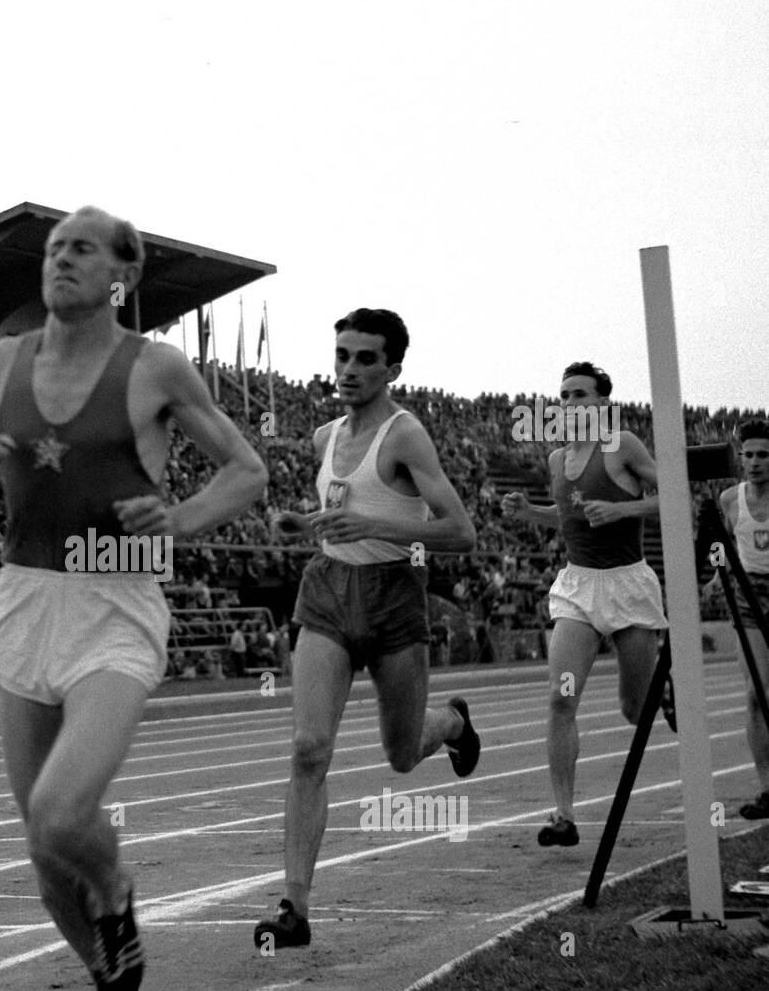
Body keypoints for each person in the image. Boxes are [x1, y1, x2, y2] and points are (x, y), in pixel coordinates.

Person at [0, 205, 267, 991]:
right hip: (26, 601)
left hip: (117, 603)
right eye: (53, 249)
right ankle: (109, 985)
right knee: (44, 858)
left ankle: (116, 888)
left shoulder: (155, 369)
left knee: (60, 810)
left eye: (81, 249)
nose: (61, 261)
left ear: (122, 275)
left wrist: (180, 519)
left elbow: (247, 470)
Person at [253, 308, 480, 950]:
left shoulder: (406, 436)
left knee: (402, 755)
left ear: (393, 369)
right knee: (308, 749)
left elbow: (460, 533)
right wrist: (309, 522)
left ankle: (455, 724)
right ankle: (294, 909)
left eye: (365, 359)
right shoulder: (325, 437)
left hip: (393, 599)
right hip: (326, 593)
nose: (348, 370)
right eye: (342, 355)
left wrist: (375, 529)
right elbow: (345, 511)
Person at [501, 361, 668, 847]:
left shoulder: (622, 445)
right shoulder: (555, 460)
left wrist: (623, 508)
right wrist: (532, 512)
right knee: (561, 698)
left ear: (602, 403)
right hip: (578, 590)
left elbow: (673, 495)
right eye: (564, 395)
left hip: (628, 586)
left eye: (580, 394)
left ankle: (664, 688)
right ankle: (564, 816)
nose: (569, 403)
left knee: (635, 711)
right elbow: (569, 517)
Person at [720, 418, 769, 819]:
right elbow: (720, 547)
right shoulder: (729, 500)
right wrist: (714, 579)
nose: (755, 462)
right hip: (749, 595)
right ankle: (767, 787)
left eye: (763, 455)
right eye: (748, 454)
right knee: (756, 695)